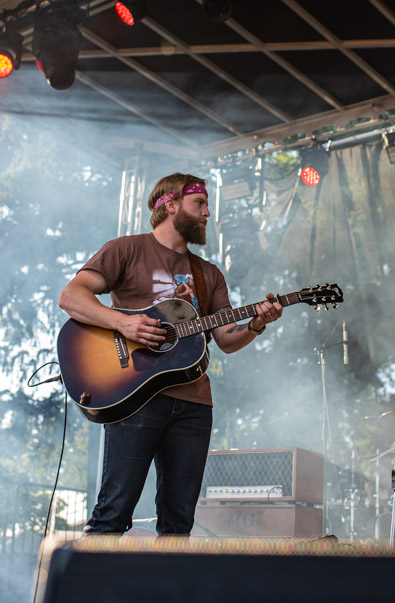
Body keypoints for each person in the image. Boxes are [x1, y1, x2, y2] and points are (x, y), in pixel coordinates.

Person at [57, 172, 283, 536]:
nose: (208, 213)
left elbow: (225, 338)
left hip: (194, 405)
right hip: (134, 395)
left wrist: (256, 325)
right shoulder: (126, 249)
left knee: (178, 525)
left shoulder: (208, 273)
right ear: (171, 205)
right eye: (200, 204)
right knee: (114, 512)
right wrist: (123, 324)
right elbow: (71, 297)